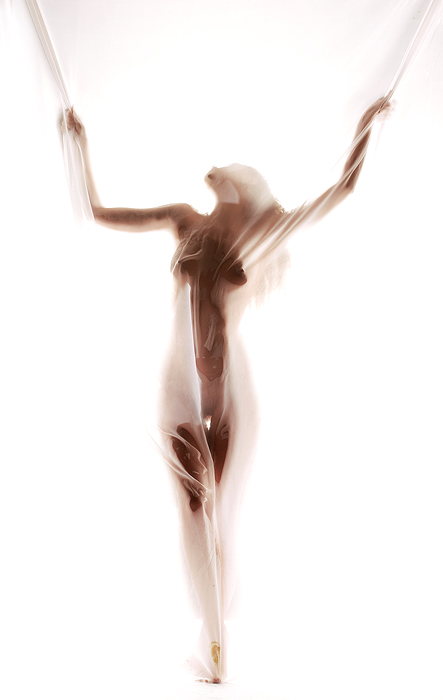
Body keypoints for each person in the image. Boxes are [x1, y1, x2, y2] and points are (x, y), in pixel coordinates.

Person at [65, 96, 390, 682]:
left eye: (230, 171)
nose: (216, 171)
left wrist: (366, 128)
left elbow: (341, 190)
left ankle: (216, 641)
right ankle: (215, 648)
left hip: (230, 390)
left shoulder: (257, 233)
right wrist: (79, 142)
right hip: (178, 382)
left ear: (242, 189)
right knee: (196, 503)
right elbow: (97, 210)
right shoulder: (183, 218)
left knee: (219, 512)